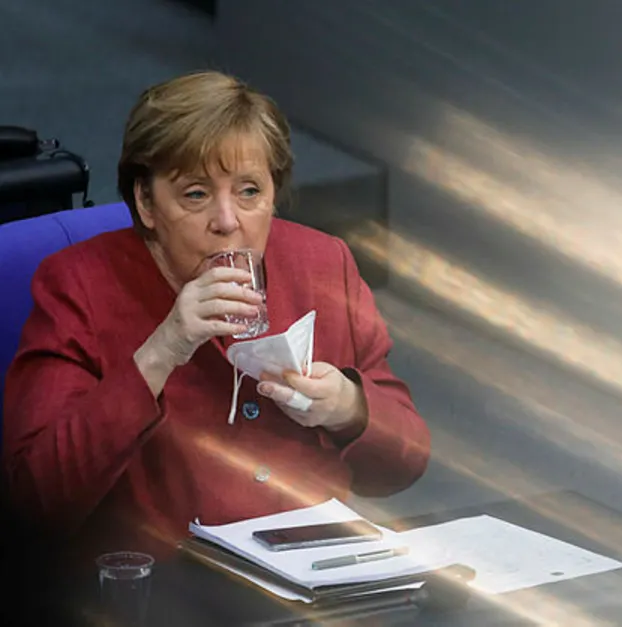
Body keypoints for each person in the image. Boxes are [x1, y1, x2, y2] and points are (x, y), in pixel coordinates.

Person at [1, 71, 431, 563]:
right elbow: (35, 503)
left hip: (312, 575)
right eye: (196, 194)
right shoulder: (78, 284)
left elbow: (404, 465)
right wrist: (163, 349)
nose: (227, 222)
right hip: (163, 582)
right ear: (146, 202)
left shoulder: (323, 264)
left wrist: (349, 408)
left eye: (249, 192)